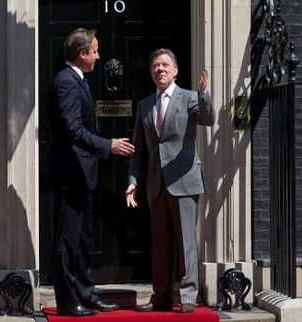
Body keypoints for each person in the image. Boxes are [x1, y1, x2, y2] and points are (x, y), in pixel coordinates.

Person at [50, 28, 134, 317]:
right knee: (66, 240)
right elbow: (71, 128)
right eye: (95, 51)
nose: (99, 56)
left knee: (83, 240)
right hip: (71, 174)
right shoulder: (67, 82)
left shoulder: (78, 80)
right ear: (81, 54)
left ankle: (86, 294)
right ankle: (66, 302)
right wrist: (106, 145)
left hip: (83, 174)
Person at [126, 48, 213, 313]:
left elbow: (207, 119)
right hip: (156, 184)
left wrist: (204, 95)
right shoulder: (144, 105)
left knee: (186, 240)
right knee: (161, 243)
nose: (159, 69)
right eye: (155, 66)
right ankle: (162, 295)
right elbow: (139, 150)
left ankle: (187, 297)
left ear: (175, 71)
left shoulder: (189, 98)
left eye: (165, 65)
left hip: (185, 181)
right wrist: (132, 181)